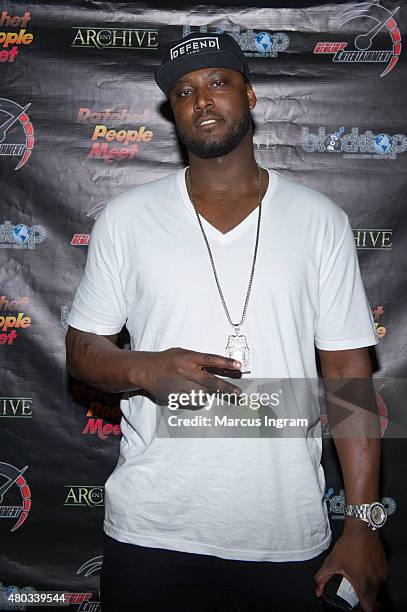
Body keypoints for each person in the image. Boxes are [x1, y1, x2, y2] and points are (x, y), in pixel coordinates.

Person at [66, 32, 388, 612]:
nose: (203, 100)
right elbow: (81, 349)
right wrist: (144, 368)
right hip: (151, 530)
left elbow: (348, 373)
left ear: (251, 96)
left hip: (286, 532)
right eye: (185, 91)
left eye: (219, 82)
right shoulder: (126, 218)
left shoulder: (320, 220)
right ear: (173, 111)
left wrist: (363, 522)